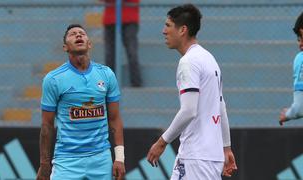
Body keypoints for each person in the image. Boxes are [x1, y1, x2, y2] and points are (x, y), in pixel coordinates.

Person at [146, 4, 237, 180]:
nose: (164, 31)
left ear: (182, 30)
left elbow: (189, 110)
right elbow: (221, 107)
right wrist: (226, 147)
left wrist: (161, 142)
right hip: (211, 156)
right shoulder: (209, 58)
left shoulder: (189, 62)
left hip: (195, 157)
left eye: (168, 26)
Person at [36, 24, 125, 180]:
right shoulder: (53, 79)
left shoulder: (106, 74)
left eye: (82, 33)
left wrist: (119, 158)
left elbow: (114, 118)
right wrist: (44, 164)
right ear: (65, 47)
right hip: (67, 160)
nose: (78, 35)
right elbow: (47, 125)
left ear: (89, 44)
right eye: (72, 34)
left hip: (100, 158)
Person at [101, 0, 142, 87]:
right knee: (110, 54)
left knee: (132, 52)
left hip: (129, 18)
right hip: (111, 19)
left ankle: (136, 83)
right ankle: (110, 84)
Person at [279, 12, 303, 125]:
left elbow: (299, 108)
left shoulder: (301, 59)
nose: (300, 44)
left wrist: (287, 114)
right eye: (299, 39)